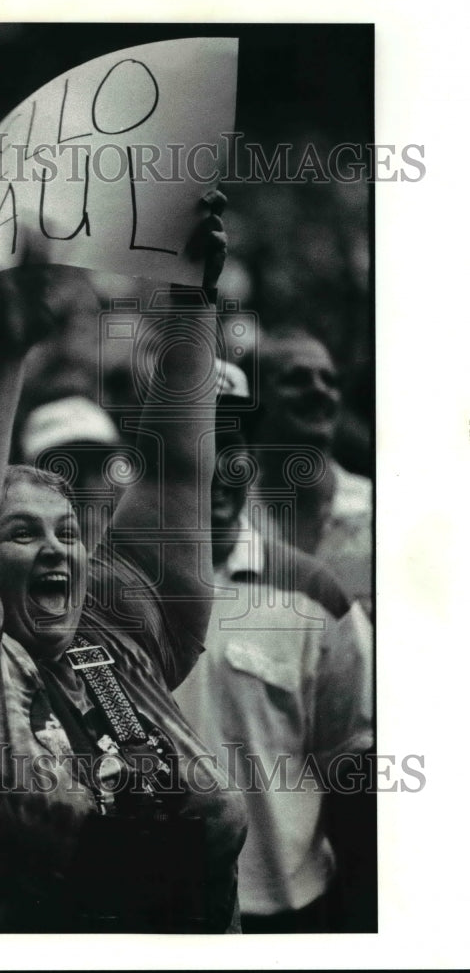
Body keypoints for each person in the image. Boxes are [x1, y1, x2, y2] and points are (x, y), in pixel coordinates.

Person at [0, 194, 249, 934]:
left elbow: (174, 476)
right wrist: (7, 352)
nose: (59, 548)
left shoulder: (122, 638)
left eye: (67, 532)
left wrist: (191, 300)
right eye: (23, 534)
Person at [175, 361, 375, 932]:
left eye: (231, 443)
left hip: (285, 912)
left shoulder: (314, 594)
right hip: (146, 913)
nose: (216, 467)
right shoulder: (102, 586)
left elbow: (351, 765)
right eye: (193, 443)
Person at [240, 325, 372, 615]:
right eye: (296, 379)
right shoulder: (233, 520)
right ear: (252, 400)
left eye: (330, 380)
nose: (320, 390)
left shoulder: (377, 513)